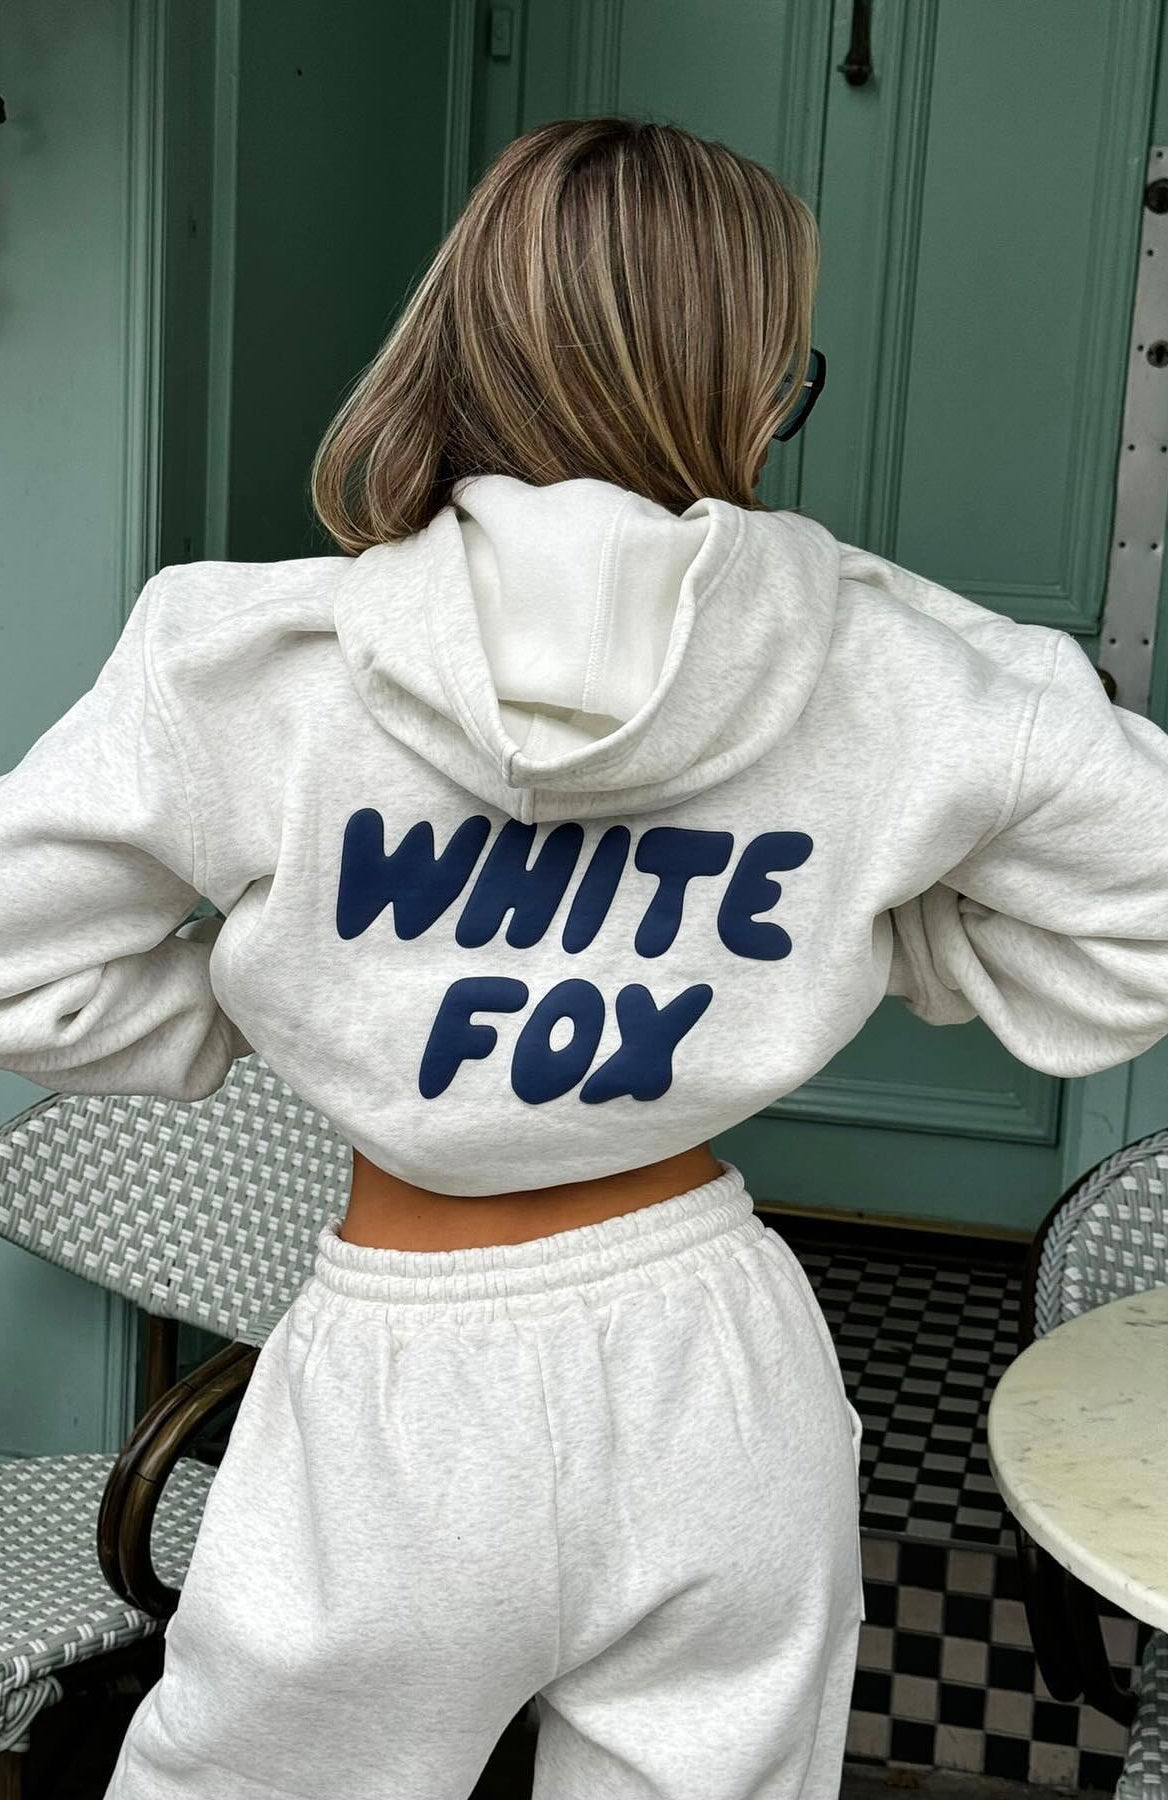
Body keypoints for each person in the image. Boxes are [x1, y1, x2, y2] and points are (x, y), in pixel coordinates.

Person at [2, 114, 1168, 1800]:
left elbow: (23, 967)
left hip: (399, 1382)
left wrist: (283, 989)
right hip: (714, 1361)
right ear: (752, 383)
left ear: (458, 338)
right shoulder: (895, 666)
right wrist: (886, 931)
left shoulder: (244, 659)